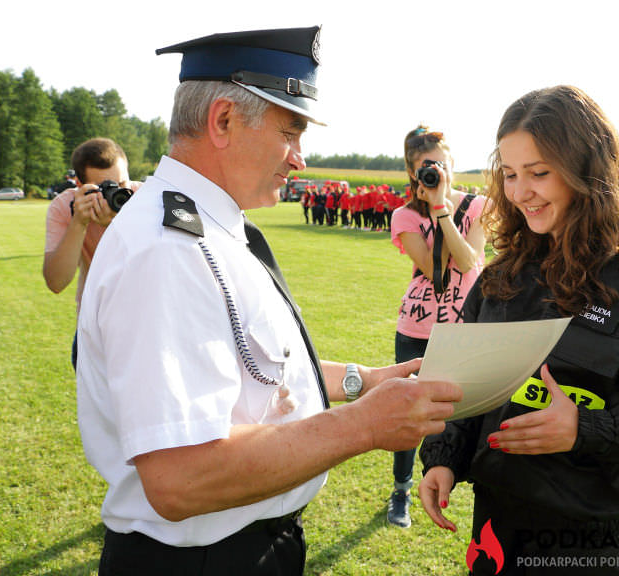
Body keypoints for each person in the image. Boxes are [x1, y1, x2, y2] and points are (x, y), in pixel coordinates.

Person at [77, 27, 462, 576]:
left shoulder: (213, 227)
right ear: (224, 120)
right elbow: (181, 478)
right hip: (202, 560)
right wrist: (363, 426)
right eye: (290, 131)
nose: (299, 159)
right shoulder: (165, 251)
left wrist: (363, 381)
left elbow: (250, 363)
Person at [418, 86, 619, 576]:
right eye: (512, 174)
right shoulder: (501, 277)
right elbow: (465, 388)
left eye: (539, 173)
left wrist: (586, 431)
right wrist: (444, 457)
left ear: (588, 168)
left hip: (590, 544)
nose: (521, 193)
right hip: (497, 534)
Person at [387, 125, 486, 528]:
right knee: (409, 413)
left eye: (441, 165)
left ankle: (455, 479)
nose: (435, 172)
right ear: (413, 173)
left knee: (463, 411)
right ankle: (401, 489)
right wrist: (433, 208)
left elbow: (468, 262)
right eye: (426, 167)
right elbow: (433, 271)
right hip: (417, 326)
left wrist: (443, 207)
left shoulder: (478, 206)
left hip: (462, 326)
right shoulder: (404, 215)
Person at [43, 137, 135, 370]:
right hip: (94, 328)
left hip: (142, 325)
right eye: (105, 188)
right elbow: (56, 281)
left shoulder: (146, 198)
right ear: (79, 184)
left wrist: (117, 226)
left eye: (122, 183)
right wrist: (78, 223)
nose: (118, 193)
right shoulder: (65, 207)